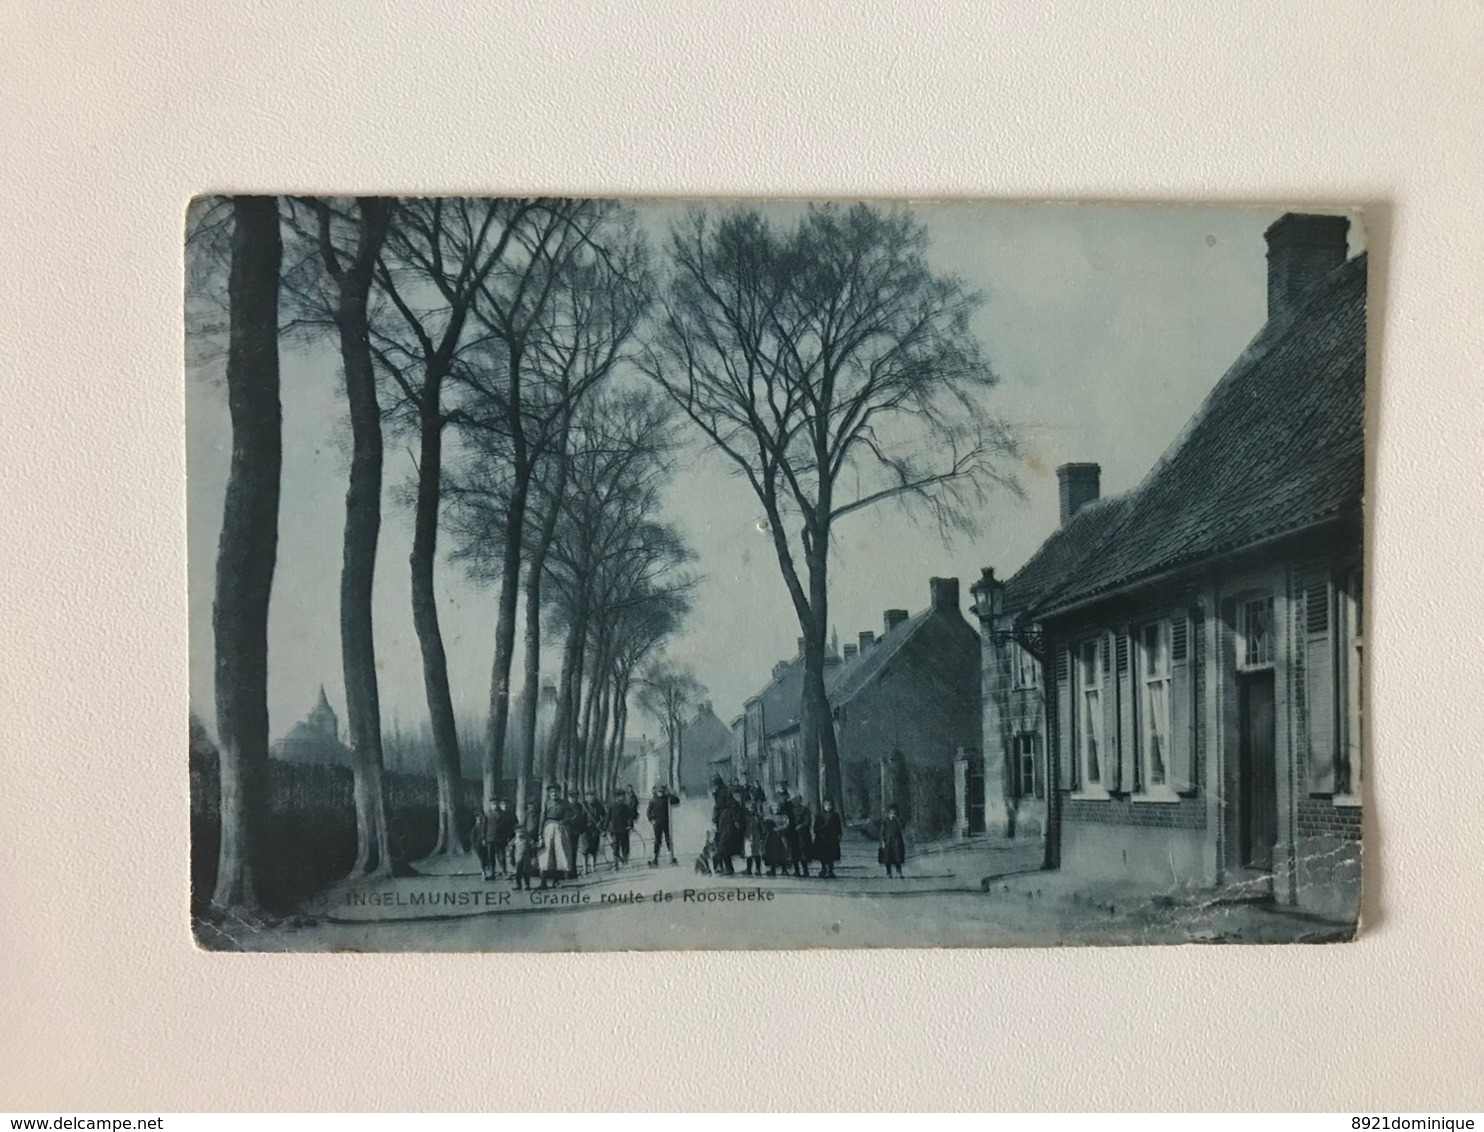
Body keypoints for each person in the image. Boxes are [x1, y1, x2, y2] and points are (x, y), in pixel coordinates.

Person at [538, 785, 574, 889]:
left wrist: (565, 821)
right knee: (546, 854)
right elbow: (542, 817)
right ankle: (543, 881)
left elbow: (572, 813)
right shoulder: (546, 803)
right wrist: (540, 834)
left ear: (560, 792)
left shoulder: (564, 803)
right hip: (548, 828)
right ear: (549, 793)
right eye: (552, 792)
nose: (554, 794)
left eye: (556, 792)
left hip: (560, 829)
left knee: (559, 853)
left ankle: (556, 881)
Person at [647, 783, 680, 866]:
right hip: (657, 823)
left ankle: (670, 857)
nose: (660, 793)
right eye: (659, 791)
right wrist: (651, 819)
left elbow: (676, 800)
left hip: (666, 822)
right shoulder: (653, 800)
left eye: (662, 791)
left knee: (668, 839)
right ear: (657, 791)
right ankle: (655, 858)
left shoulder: (667, 799)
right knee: (657, 840)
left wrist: (669, 793)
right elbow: (648, 812)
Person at [813, 797, 844, 879]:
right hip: (822, 838)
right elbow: (815, 827)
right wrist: (820, 832)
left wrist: (839, 834)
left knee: (831, 855)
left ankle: (830, 870)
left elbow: (838, 826)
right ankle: (823, 869)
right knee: (822, 856)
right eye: (826, 805)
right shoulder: (819, 815)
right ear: (823, 806)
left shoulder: (835, 815)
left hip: (832, 838)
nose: (828, 807)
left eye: (830, 805)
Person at [763, 794, 793, 878]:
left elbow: (787, 825)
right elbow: (766, 826)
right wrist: (770, 829)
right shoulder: (769, 817)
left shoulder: (784, 816)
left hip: (781, 837)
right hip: (772, 838)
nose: (776, 809)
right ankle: (772, 869)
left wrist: (779, 828)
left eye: (778, 807)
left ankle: (784, 869)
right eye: (774, 807)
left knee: (783, 853)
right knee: (772, 853)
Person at [563, 789, 588, 880]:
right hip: (567, 831)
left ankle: (573, 871)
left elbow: (582, 819)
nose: (574, 799)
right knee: (567, 852)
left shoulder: (579, 806)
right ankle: (566, 872)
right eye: (572, 797)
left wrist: (582, 829)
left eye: (575, 797)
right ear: (569, 797)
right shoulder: (566, 806)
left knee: (574, 852)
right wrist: (574, 818)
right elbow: (565, 819)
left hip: (576, 832)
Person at [489, 798, 517, 878]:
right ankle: (494, 871)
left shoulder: (511, 814)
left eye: (507, 804)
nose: (505, 806)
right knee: (496, 854)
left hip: (509, 835)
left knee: (508, 853)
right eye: (503, 804)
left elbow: (515, 824)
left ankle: (510, 869)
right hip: (498, 836)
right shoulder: (498, 814)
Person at [580, 791, 607, 875]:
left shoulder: (598, 805)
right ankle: (585, 868)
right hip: (585, 829)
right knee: (585, 849)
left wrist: (600, 822)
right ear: (586, 797)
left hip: (595, 829)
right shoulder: (583, 805)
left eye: (593, 796)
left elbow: (604, 815)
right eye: (589, 796)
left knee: (594, 848)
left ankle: (592, 866)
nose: (591, 798)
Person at [607, 790, 633, 871]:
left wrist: (630, 825)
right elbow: (607, 818)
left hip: (624, 830)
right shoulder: (612, 807)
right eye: (620, 797)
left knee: (625, 847)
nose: (621, 798)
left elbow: (630, 817)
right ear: (616, 798)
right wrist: (604, 829)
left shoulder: (626, 807)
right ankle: (616, 864)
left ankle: (625, 862)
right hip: (614, 831)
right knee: (615, 847)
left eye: (623, 796)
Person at [880, 804, 907, 879]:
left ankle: (899, 873)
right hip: (888, 842)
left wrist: (898, 820)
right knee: (887, 858)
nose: (892, 815)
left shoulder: (897, 821)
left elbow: (902, 827)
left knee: (898, 858)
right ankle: (888, 873)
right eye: (891, 813)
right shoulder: (885, 822)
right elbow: (882, 833)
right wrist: (882, 842)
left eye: (894, 813)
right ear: (889, 814)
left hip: (897, 842)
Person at [790, 792, 813, 878]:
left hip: (803, 835)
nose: (795, 801)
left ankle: (805, 871)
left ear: (800, 800)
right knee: (794, 852)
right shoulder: (790, 810)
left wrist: (801, 826)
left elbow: (808, 821)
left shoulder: (805, 809)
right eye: (793, 800)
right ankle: (796, 871)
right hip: (792, 834)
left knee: (803, 853)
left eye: (797, 799)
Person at [744, 801, 766, 877]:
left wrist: (762, 836)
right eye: (749, 808)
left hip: (756, 836)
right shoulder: (745, 818)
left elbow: (763, 828)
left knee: (757, 853)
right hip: (747, 837)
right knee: (748, 853)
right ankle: (748, 869)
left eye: (752, 808)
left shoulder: (758, 817)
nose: (750, 809)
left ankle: (758, 869)